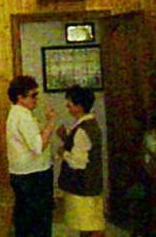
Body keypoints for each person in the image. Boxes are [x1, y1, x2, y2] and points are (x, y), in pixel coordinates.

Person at [6, 75, 56, 237]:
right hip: (33, 175)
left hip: (24, 174)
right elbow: (38, 146)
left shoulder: (18, 113)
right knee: (38, 221)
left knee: (25, 218)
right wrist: (51, 123)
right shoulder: (23, 117)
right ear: (20, 97)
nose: (36, 99)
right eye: (33, 95)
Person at [57, 86, 104, 237]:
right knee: (91, 224)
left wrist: (63, 152)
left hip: (83, 186)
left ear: (79, 106)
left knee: (88, 226)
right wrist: (66, 139)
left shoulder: (83, 130)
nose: (67, 106)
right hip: (91, 183)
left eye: (70, 103)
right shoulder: (90, 124)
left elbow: (78, 162)